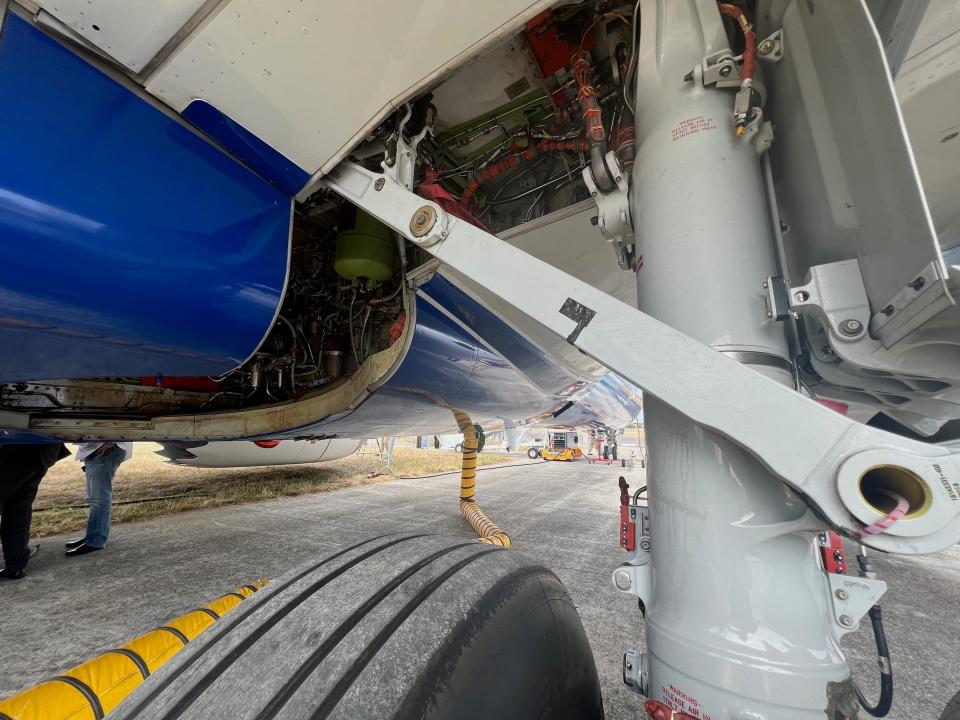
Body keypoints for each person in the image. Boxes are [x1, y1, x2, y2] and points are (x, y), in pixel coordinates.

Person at [0, 442, 70, 579]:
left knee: (18, 508)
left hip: (19, 451)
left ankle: (16, 563)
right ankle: (16, 565)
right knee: (18, 509)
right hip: (43, 452)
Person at [66, 441, 133, 557]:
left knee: (99, 499)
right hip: (96, 449)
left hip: (105, 449)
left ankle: (96, 540)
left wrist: (113, 442)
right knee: (95, 498)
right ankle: (93, 534)